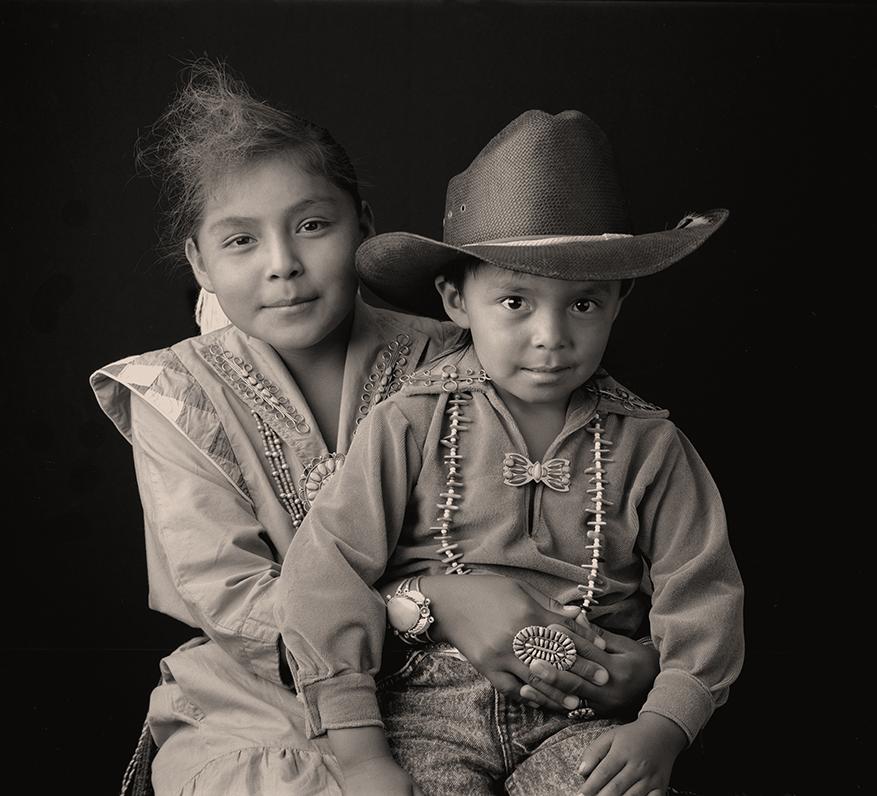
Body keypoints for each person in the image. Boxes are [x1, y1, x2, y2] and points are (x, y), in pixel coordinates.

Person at [92, 63, 658, 796]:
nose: (283, 266)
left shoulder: (456, 353)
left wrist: (612, 654)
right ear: (199, 261)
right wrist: (435, 601)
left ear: (362, 223)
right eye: (240, 242)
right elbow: (236, 602)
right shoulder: (173, 395)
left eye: (312, 225)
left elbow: (562, 524)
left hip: (466, 689)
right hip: (266, 700)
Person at [275, 109, 745, 796]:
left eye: (583, 305)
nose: (551, 336)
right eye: (516, 301)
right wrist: (362, 755)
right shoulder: (409, 423)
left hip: (584, 714)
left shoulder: (652, 447)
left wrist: (663, 729)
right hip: (427, 706)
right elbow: (323, 576)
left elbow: (705, 594)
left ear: (620, 300)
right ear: (456, 299)